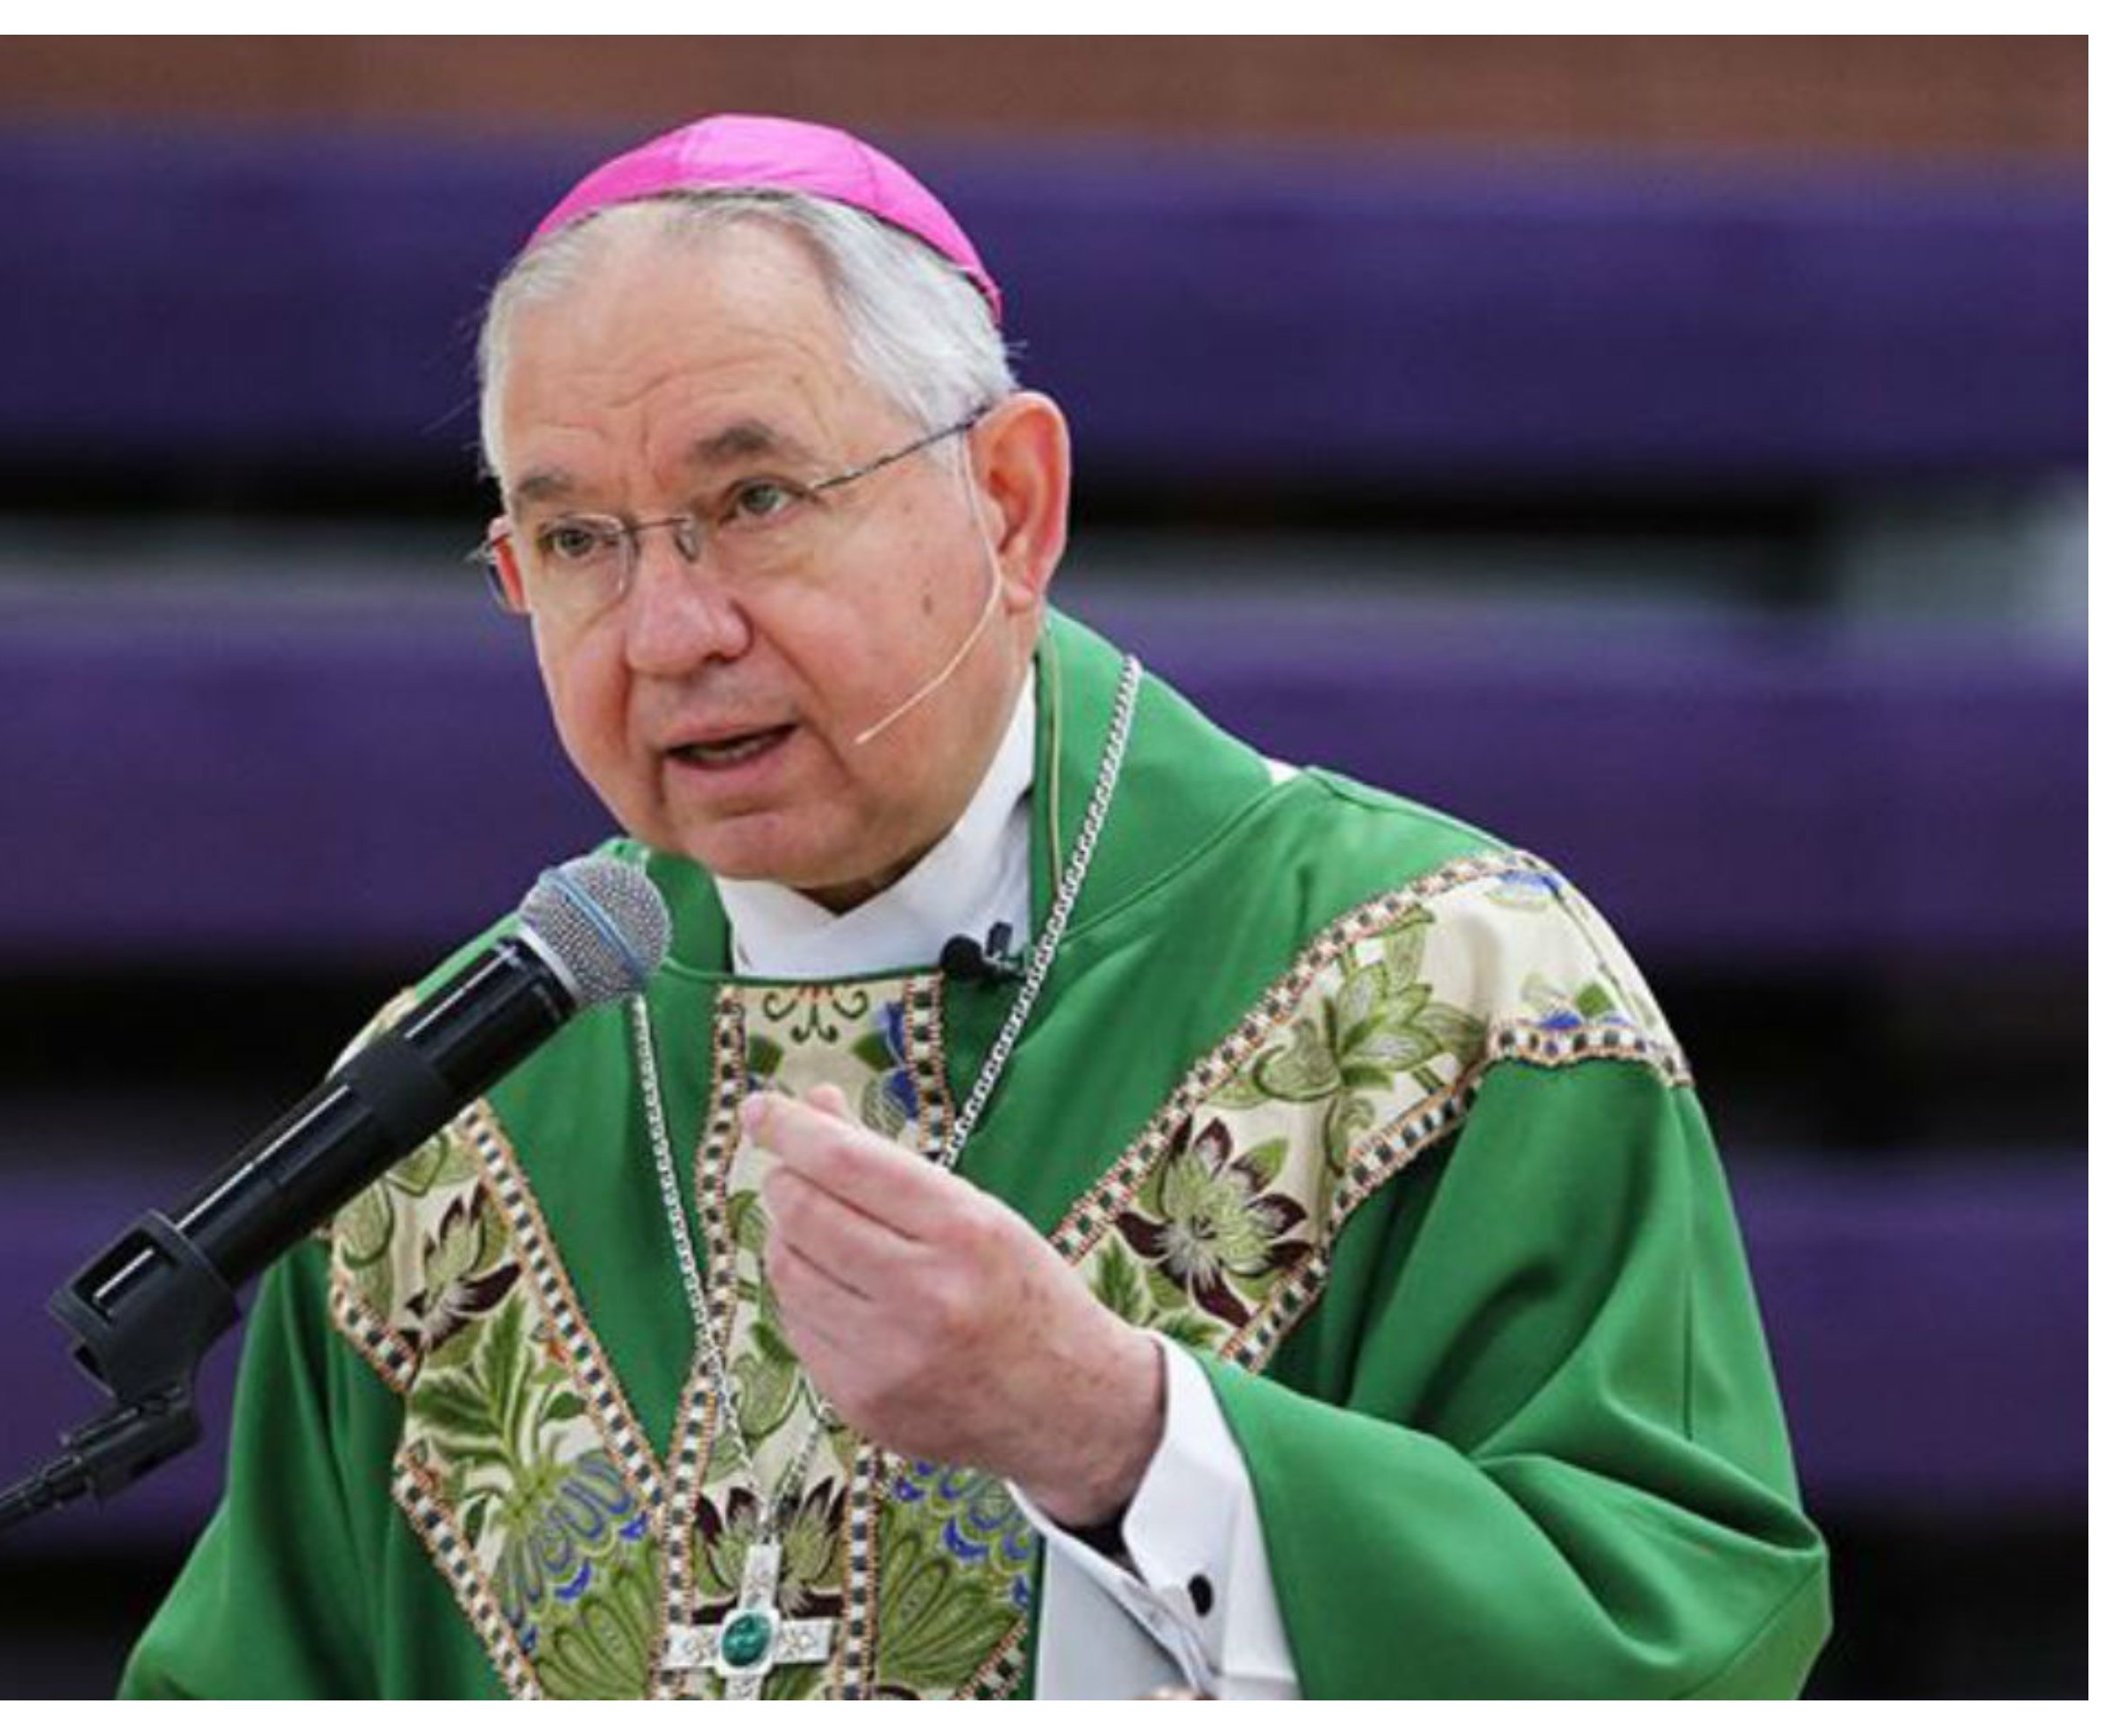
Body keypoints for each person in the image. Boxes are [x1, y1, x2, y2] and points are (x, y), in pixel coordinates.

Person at [120, 113, 1829, 1700]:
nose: (670, 633)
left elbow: (1680, 1643)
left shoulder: (1448, 993)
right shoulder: (445, 1114)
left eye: (755, 503)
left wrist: (1120, 1435)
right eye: (577, 544)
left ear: (1009, 507)